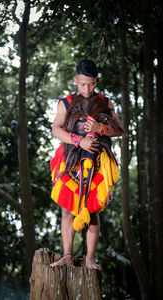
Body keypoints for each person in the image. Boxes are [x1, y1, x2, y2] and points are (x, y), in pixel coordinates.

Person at [50, 59, 124, 270]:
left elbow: (119, 130)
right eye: (82, 83)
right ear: (75, 80)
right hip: (71, 159)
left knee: (92, 211)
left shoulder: (105, 102)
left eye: (91, 84)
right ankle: (67, 255)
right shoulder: (65, 102)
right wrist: (78, 140)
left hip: (98, 162)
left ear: (97, 81)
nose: (86, 88)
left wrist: (101, 127)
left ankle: (90, 258)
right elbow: (56, 129)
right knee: (66, 209)